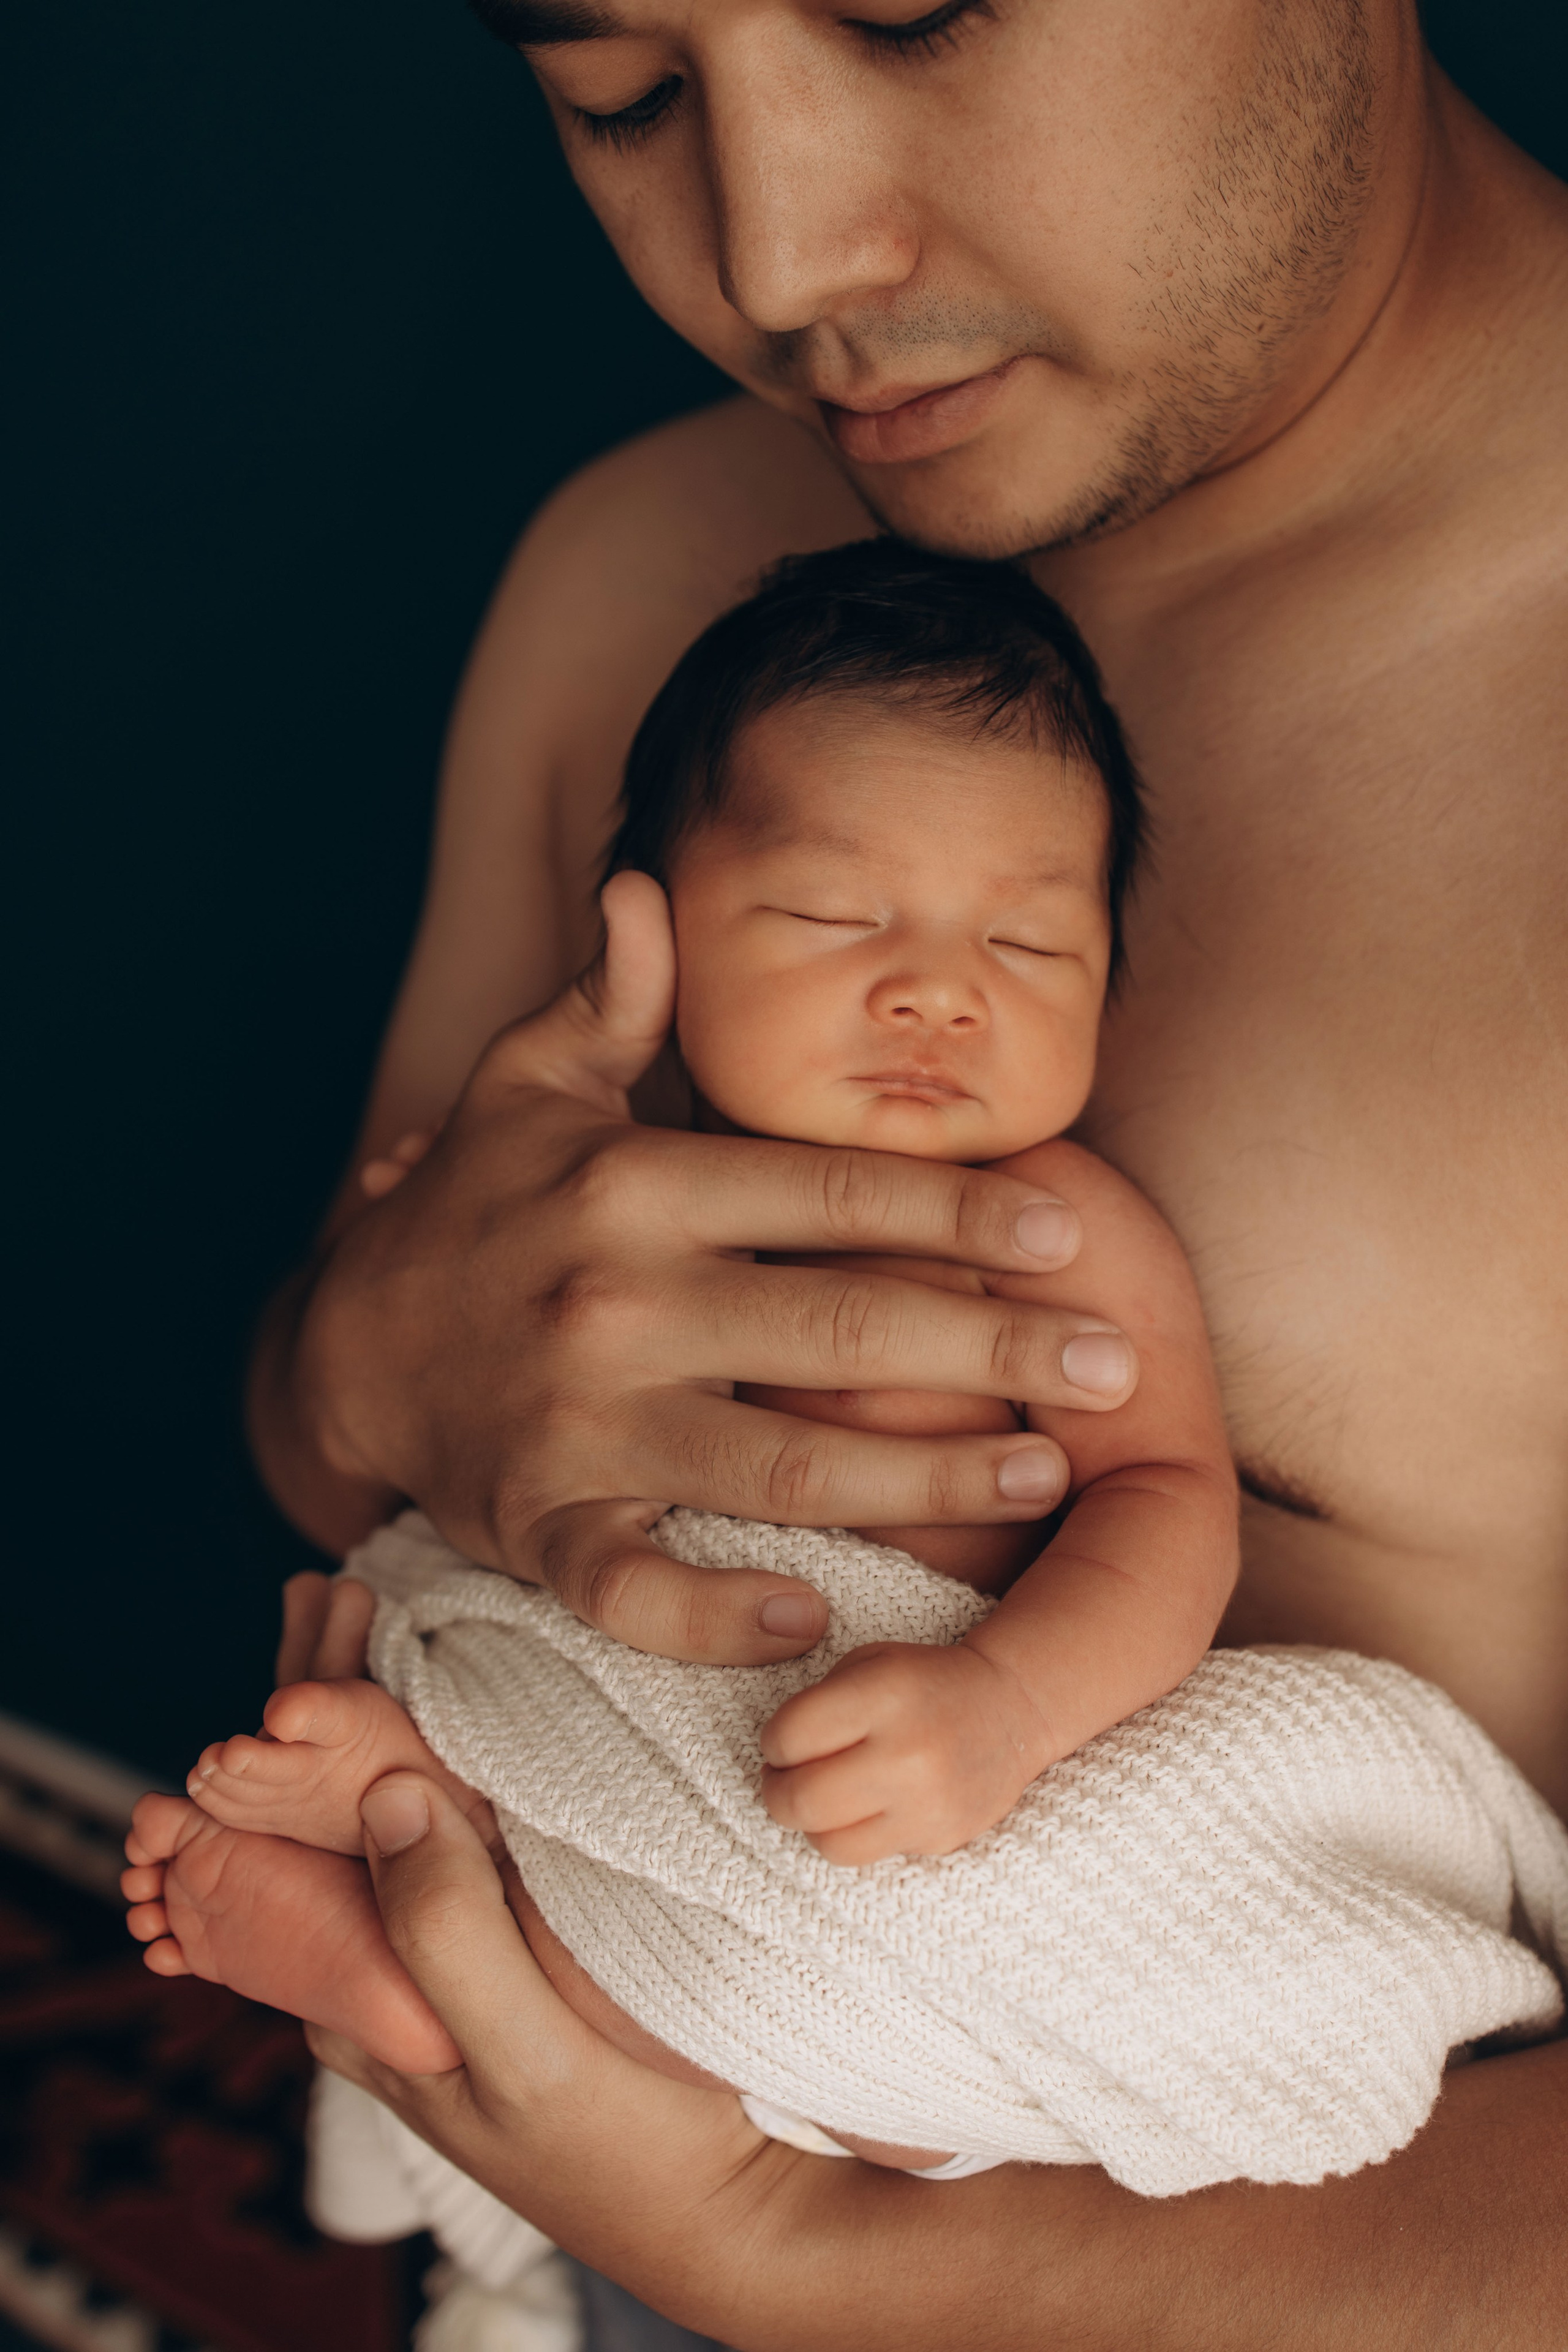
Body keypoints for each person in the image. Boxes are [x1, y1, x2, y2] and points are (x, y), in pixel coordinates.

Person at [238, 0, 1568, 2339]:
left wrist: (792, 2251)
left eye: (914, 11)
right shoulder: (637, 565)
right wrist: (375, 1358)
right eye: (619, 100)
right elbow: (312, 1431)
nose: (777, 255)